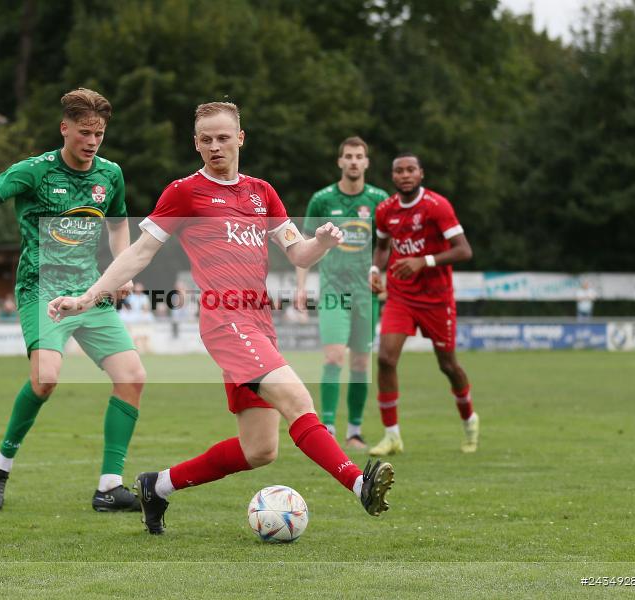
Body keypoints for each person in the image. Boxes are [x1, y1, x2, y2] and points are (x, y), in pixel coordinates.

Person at [49, 101, 394, 535]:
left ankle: (157, 486)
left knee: (260, 449)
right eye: (206, 139)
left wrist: (322, 241)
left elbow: (299, 251)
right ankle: (359, 483)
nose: (215, 146)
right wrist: (87, 297)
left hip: (259, 323)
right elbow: (139, 252)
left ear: (240, 138)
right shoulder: (184, 192)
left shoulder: (261, 192)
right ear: (196, 144)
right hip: (226, 322)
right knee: (299, 402)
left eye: (223, 137)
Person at [0, 88, 147, 513]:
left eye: (100, 134)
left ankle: (109, 487)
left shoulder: (109, 175)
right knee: (46, 379)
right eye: (85, 132)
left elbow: (118, 226)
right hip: (42, 290)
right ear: (64, 129)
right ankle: (0, 466)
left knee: (133, 376)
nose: (92, 142)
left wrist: (120, 269)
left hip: (89, 293)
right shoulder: (33, 172)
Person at [368, 153, 479, 456]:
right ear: (393, 176)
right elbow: (381, 248)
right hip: (401, 296)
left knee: (448, 365)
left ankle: (469, 419)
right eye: (399, 171)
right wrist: (375, 271)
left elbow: (464, 250)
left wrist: (424, 261)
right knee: (386, 359)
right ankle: (392, 436)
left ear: (421, 174)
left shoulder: (436, 206)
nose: (405, 175)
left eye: (410, 170)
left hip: (436, 298)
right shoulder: (385, 210)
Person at [295, 136, 388, 450]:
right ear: (340, 161)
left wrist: (383, 275)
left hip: (366, 294)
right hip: (333, 290)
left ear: (366, 162)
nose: (353, 161)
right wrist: (300, 288)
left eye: (358, 156)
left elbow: (390, 244)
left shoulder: (379, 200)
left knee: (361, 363)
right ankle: (329, 428)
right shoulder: (322, 200)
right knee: (334, 356)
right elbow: (303, 244)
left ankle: (355, 431)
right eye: (347, 156)